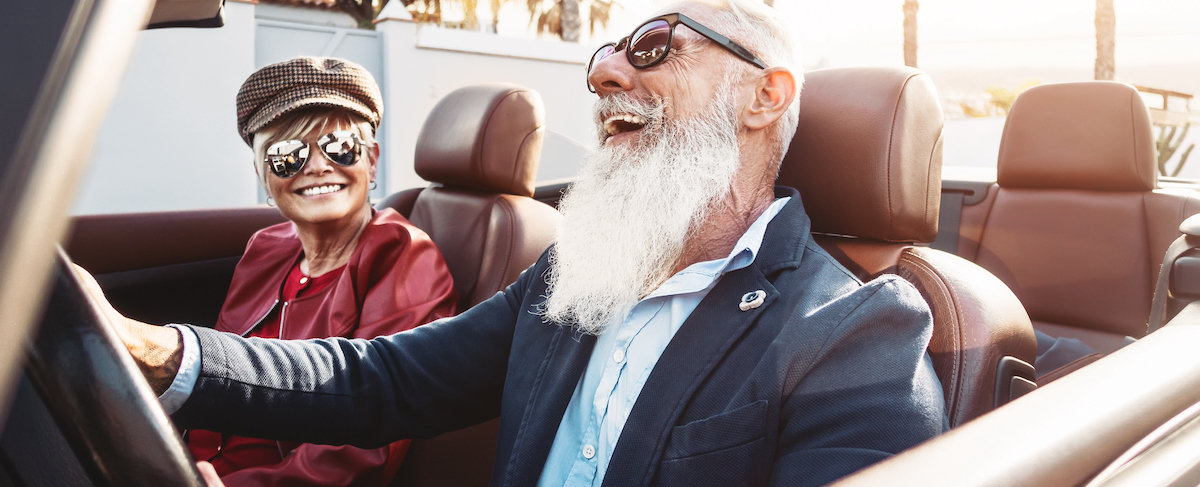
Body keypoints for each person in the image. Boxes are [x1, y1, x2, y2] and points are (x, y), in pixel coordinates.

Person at [95, 2, 947, 485]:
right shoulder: (579, 273)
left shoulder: (857, 331)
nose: (606, 73)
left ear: (766, 97)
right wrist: (158, 353)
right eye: (606, 52)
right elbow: (383, 379)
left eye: (653, 46)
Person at [178, 56, 458, 486]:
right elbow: (221, 375)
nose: (316, 166)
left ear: (372, 161)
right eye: (286, 154)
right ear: (262, 174)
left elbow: (369, 431)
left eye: (340, 146)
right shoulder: (265, 248)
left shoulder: (404, 256)